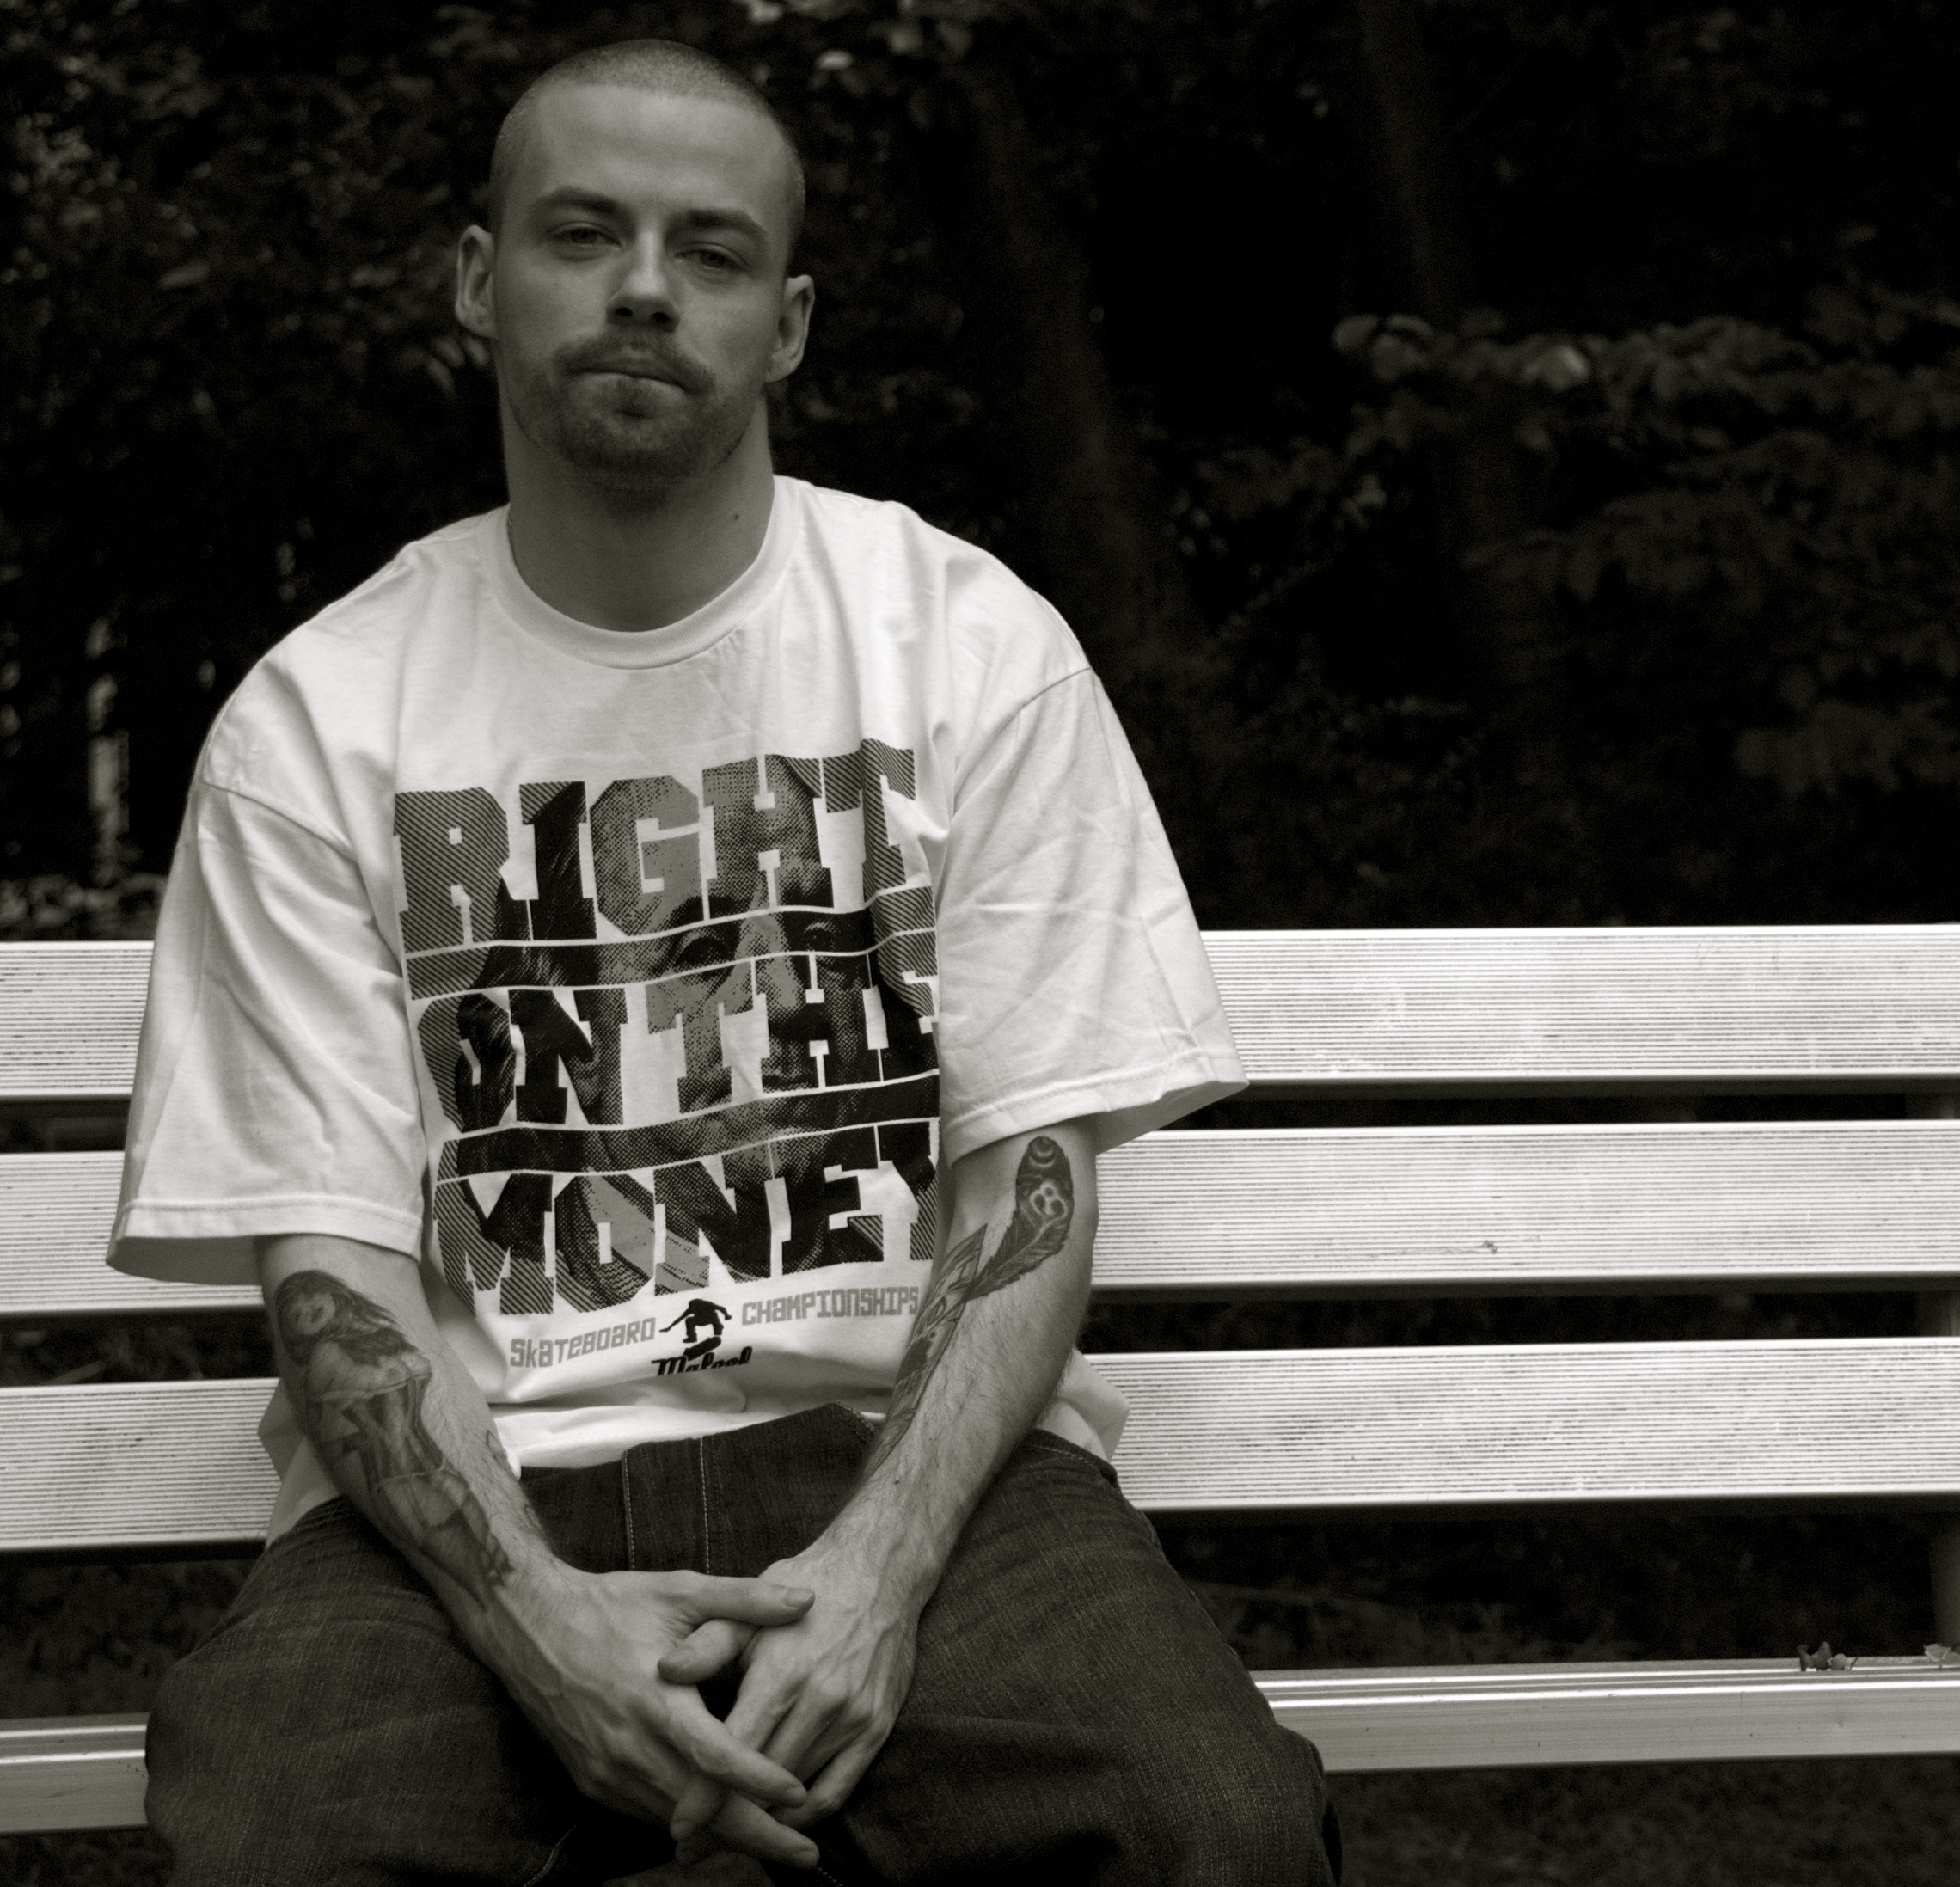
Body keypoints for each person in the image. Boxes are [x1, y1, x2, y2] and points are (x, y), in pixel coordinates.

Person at [109, 37, 1340, 1887]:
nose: (643, 289)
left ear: (789, 325)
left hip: (910, 1458)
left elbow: (1028, 1178)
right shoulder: (321, 720)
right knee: (280, 1851)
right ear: (478, 278)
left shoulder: (967, 649)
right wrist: (535, 1623)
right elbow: (335, 1271)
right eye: (581, 233)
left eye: (711, 250)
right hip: (472, 1492)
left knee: (1210, 1831)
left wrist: (878, 1575)